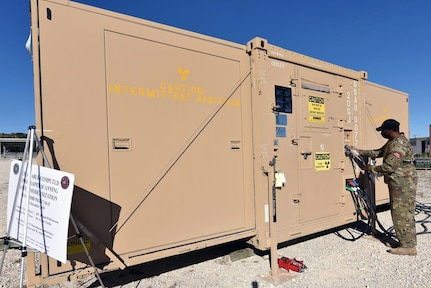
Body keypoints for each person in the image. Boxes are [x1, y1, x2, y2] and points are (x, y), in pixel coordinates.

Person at [350, 119, 418, 256]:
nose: (382, 133)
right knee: (400, 213)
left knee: (402, 214)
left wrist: (369, 168)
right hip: (399, 184)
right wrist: (358, 151)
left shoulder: (398, 145)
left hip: (403, 185)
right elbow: (378, 153)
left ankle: (409, 246)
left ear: (390, 130)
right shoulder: (393, 142)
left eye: (383, 131)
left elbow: (388, 167)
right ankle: (404, 242)